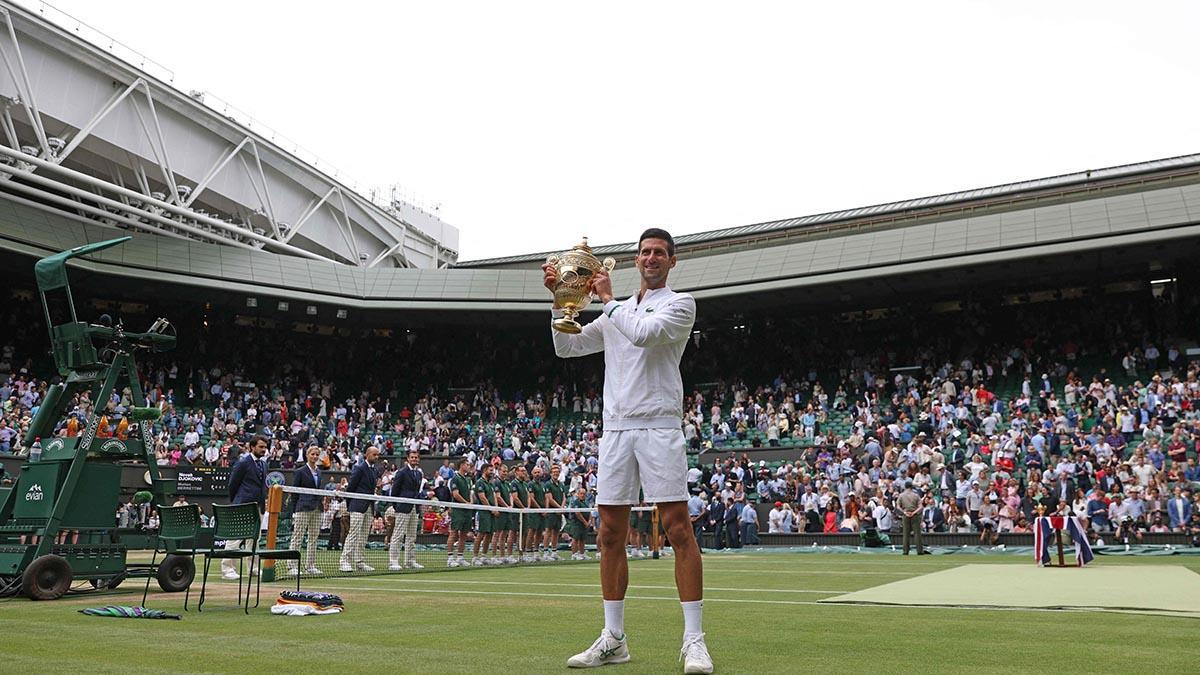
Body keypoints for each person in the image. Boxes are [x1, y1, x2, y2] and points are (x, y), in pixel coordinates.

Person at [548, 228, 712, 673]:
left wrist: (605, 299)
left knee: (678, 530)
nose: (651, 258)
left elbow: (642, 334)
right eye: (645, 252)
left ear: (671, 262)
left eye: (659, 252)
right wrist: (561, 301)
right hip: (616, 429)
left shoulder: (680, 304)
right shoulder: (616, 312)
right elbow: (568, 346)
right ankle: (613, 639)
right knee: (608, 535)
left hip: (659, 425)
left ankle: (694, 641)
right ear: (636, 260)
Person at [221, 436, 268, 580]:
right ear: (252, 447)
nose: (263, 449)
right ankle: (227, 569)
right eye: (261, 447)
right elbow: (232, 484)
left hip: (258, 506)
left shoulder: (264, 464)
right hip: (242, 505)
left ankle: (253, 568)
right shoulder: (243, 462)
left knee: (254, 539)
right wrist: (237, 501)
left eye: (265, 447)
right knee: (235, 537)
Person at [339, 445, 380, 572]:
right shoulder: (359, 468)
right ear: (367, 455)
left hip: (369, 506)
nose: (376, 457)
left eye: (378, 455)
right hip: (357, 505)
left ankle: (359, 561)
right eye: (374, 454)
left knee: (363, 535)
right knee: (354, 533)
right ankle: (344, 561)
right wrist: (351, 504)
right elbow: (351, 487)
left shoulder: (375, 470)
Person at [288, 445, 324, 576]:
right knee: (297, 537)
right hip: (303, 508)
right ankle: (292, 566)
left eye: (316, 454)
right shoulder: (300, 471)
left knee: (313, 538)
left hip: (317, 509)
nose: (315, 457)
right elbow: (294, 492)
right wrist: (294, 511)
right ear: (307, 455)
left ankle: (310, 565)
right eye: (312, 454)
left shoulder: (319, 472)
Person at [388, 449, 425, 570]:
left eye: (416, 457)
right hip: (403, 508)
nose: (414, 459)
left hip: (414, 507)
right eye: (412, 457)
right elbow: (394, 491)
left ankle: (410, 561)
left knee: (412, 536)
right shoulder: (402, 472)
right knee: (398, 535)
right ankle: (393, 561)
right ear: (408, 459)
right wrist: (396, 506)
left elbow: (416, 491)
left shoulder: (419, 474)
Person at [446, 458, 475, 568]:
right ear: (462, 465)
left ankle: (460, 557)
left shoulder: (468, 479)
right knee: (453, 533)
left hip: (467, 511)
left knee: (464, 535)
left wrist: (471, 503)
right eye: (467, 464)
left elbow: (470, 493)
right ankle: (450, 558)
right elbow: (455, 494)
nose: (468, 466)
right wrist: (466, 503)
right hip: (458, 510)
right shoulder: (455, 478)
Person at [473, 463, 499, 566]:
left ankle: (483, 556)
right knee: (481, 534)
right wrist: (491, 509)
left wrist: (496, 508)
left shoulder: (490, 483)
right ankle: (475, 557)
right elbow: (482, 498)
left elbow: (494, 496)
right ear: (484, 470)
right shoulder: (480, 483)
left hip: (492, 513)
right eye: (490, 470)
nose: (492, 472)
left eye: (493, 470)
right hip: (484, 512)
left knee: (489, 534)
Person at [543, 463, 565, 561]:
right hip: (552, 511)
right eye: (554, 472)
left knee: (556, 531)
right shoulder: (548, 484)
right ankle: (545, 551)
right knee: (548, 531)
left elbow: (564, 497)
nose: (556, 473)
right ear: (551, 473)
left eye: (557, 472)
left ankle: (554, 551)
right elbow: (549, 498)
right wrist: (559, 508)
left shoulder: (561, 484)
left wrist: (562, 508)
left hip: (559, 512)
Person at [896, 480, 923, 555]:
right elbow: (921, 507)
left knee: (906, 534)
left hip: (906, 514)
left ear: (905, 487)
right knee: (917, 533)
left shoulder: (901, 495)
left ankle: (905, 551)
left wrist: (904, 512)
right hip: (914, 515)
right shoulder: (916, 495)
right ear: (911, 487)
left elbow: (898, 506)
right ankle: (919, 551)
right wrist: (914, 512)